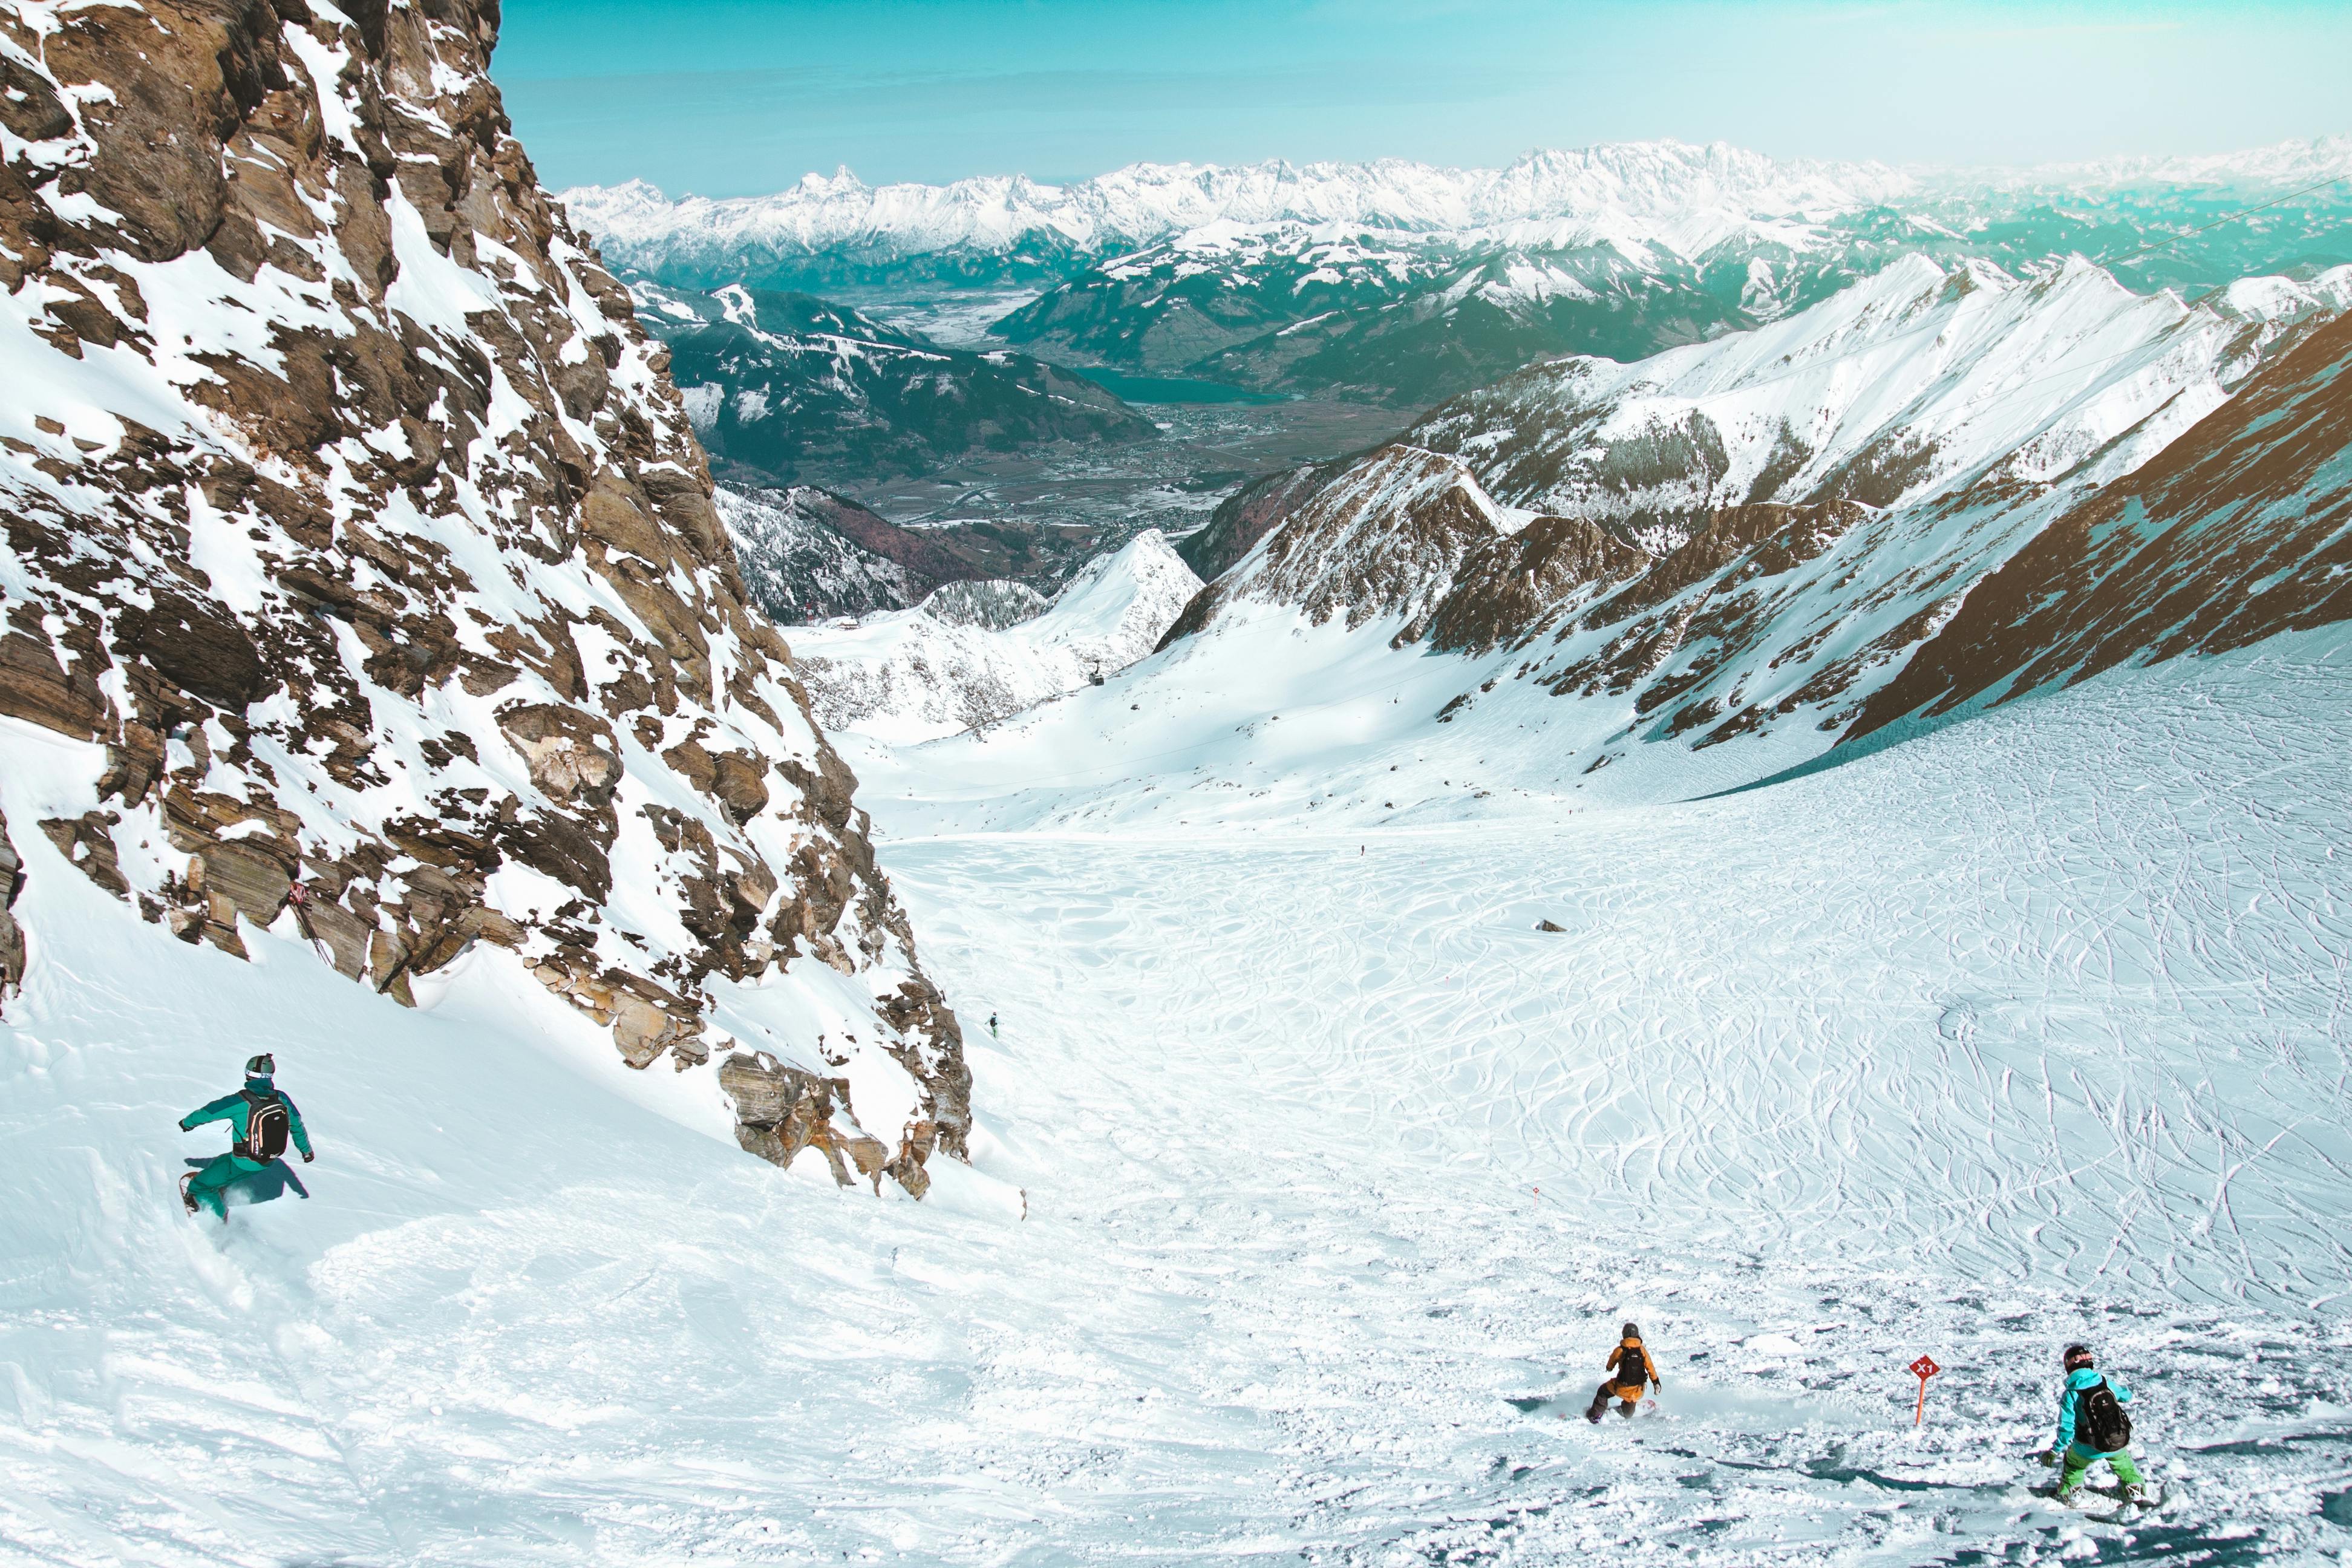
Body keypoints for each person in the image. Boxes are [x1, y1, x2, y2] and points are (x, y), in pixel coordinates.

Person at [178, 1054, 313, 1221]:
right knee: (222, 1162)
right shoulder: (281, 1098)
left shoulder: (241, 1101)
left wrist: (187, 1123)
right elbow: (297, 1125)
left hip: (245, 1162)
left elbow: (208, 1113)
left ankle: (217, 1219)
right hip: (267, 1160)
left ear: (248, 1074)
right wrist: (306, 1151)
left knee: (200, 1185)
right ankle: (219, 1184)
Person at [2041, 1343, 2144, 1504]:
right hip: (2116, 1440)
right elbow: (2127, 1396)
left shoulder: (2071, 1394)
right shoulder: (2105, 1383)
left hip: (2087, 1446)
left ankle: (2071, 1492)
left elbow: (2067, 1429)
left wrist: (2054, 1451)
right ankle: (2134, 1488)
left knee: (2073, 1464)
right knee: (2124, 1463)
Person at [1585, 1322, 1661, 1420]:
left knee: (1603, 1392)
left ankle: (1595, 1415)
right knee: (1631, 1399)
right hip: (1638, 1390)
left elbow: (1611, 1362)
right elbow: (1650, 1367)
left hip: (1621, 1387)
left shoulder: (1620, 1350)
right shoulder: (1642, 1351)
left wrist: (1609, 1368)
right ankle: (1628, 1412)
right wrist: (1656, 1383)